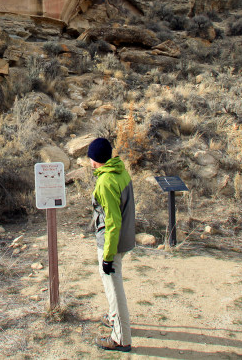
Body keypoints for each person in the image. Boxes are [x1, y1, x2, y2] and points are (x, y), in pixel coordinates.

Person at [87, 137, 135, 352]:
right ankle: (115, 319)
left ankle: (121, 339)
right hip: (123, 238)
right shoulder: (120, 172)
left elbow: (112, 221)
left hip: (111, 243)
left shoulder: (105, 182)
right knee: (112, 285)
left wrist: (107, 255)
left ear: (95, 159)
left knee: (114, 289)